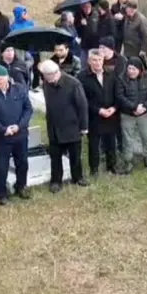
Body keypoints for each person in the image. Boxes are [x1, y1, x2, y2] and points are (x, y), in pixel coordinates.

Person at [0, 66, 33, 204]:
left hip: (20, 134)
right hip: (0, 136)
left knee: (22, 162)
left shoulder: (19, 89)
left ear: (7, 78)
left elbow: (28, 109)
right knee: (0, 166)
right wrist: (2, 129)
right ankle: (0, 193)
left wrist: (19, 126)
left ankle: (21, 186)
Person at [38, 60, 89, 190]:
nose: (46, 80)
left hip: (72, 125)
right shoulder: (46, 83)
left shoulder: (73, 84)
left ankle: (77, 178)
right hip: (54, 126)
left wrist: (84, 127)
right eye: (44, 77)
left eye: (47, 77)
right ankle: (56, 181)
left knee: (75, 155)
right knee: (55, 156)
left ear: (55, 73)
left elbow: (82, 106)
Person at [81, 48, 123, 176]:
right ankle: (94, 169)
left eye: (100, 60)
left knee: (111, 142)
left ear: (103, 60)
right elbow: (83, 100)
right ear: (89, 61)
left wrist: (114, 108)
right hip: (94, 116)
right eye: (94, 60)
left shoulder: (111, 74)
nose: (97, 63)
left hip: (111, 114)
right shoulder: (82, 77)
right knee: (94, 144)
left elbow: (118, 94)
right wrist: (98, 110)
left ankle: (112, 166)